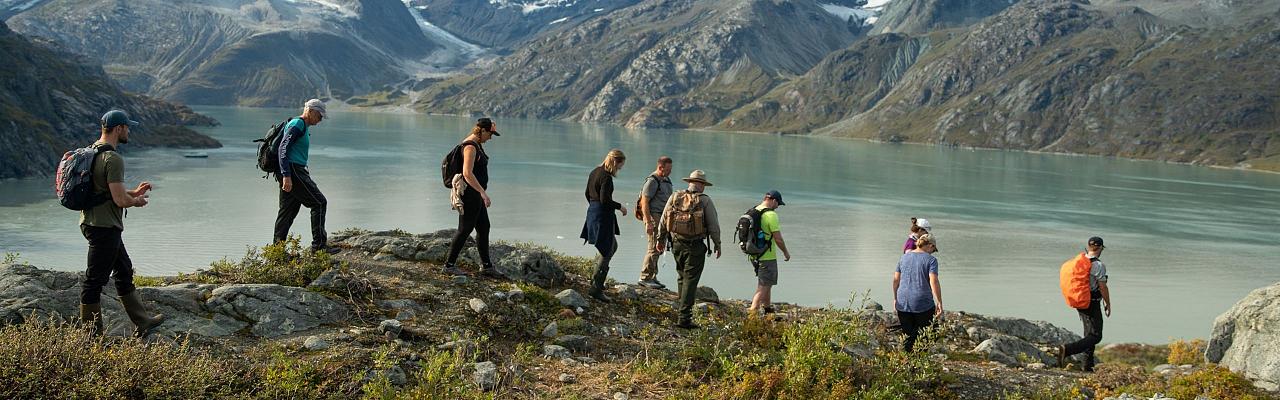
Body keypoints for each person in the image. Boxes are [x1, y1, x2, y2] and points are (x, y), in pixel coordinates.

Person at [78, 110, 166, 338]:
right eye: (127, 127)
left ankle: (142, 320)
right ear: (119, 129)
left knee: (124, 270)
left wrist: (132, 191)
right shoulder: (113, 158)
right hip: (104, 227)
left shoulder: (93, 151)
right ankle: (90, 337)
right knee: (94, 281)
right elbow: (119, 199)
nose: (129, 131)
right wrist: (135, 201)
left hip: (94, 222)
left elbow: (105, 189)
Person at [656, 170, 722, 329]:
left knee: (681, 276)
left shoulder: (675, 196)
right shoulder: (705, 201)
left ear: (690, 182)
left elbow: (664, 219)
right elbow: (713, 226)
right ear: (701, 185)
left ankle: (681, 310)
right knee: (691, 281)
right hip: (696, 245)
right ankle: (684, 319)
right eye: (704, 185)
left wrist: (660, 239)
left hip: (677, 243)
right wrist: (717, 244)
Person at [273, 99, 337, 253]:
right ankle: (319, 247)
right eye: (319, 116)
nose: (320, 119)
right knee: (319, 203)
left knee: (287, 212)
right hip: (293, 171)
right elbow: (283, 148)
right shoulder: (298, 125)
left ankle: (277, 253)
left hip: (293, 170)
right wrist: (287, 175)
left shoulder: (300, 125)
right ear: (310, 111)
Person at [442, 118, 503, 278]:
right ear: (482, 130)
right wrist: (482, 192)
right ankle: (449, 265)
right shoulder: (470, 146)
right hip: (471, 194)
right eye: (490, 133)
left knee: (484, 227)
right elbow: (467, 173)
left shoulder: (476, 144)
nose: (490, 137)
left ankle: (487, 266)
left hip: (475, 194)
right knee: (465, 228)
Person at [1058, 237, 1111, 371]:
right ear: (1100, 248)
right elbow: (1103, 287)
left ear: (1088, 246)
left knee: (1089, 334)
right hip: (1091, 302)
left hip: (1079, 300)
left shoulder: (1079, 261)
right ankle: (1068, 349)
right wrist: (1108, 303)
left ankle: (1087, 365)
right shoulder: (1098, 265)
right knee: (1096, 336)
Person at [581, 149, 627, 301]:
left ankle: (596, 280)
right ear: (615, 162)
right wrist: (620, 206)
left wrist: (594, 208)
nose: (620, 168)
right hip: (602, 215)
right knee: (608, 249)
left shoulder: (595, 172)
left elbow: (587, 193)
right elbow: (605, 200)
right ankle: (596, 288)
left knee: (611, 246)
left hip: (594, 212)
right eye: (621, 165)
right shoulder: (606, 177)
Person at [893, 233, 943, 351]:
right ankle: (918, 361)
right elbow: (934, 281)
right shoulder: (931, 260)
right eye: (933, 249)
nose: (932, 252)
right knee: (931, 332)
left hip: (902, 302)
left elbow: (896, 280)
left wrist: (895, 298)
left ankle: (906, 363)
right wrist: (939, 301)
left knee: (908, 335)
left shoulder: (903, 257)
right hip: (921, 302)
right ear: (930, 245)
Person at [748, 190, 791, 314]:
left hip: (754, 254)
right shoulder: (771, 215)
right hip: (767, 255)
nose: (778, 207)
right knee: (763, 286)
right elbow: (778, 239)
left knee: (767, 282)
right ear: (773, 201)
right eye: (778, 204)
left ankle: (767, 309)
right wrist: (785, 252)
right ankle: (752, 314)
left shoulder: (755, 210)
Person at [638, 156, 674, 289]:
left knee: (659, 247)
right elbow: (644, 202)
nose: (670, 172)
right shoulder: (652, 181)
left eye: (671, 169)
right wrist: (648, 221)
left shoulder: (666, 180)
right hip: (654, 216)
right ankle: (645, 277)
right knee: (653, 247)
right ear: (660, 167)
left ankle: (653, 276)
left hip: (663, 218)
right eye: (668, 169)